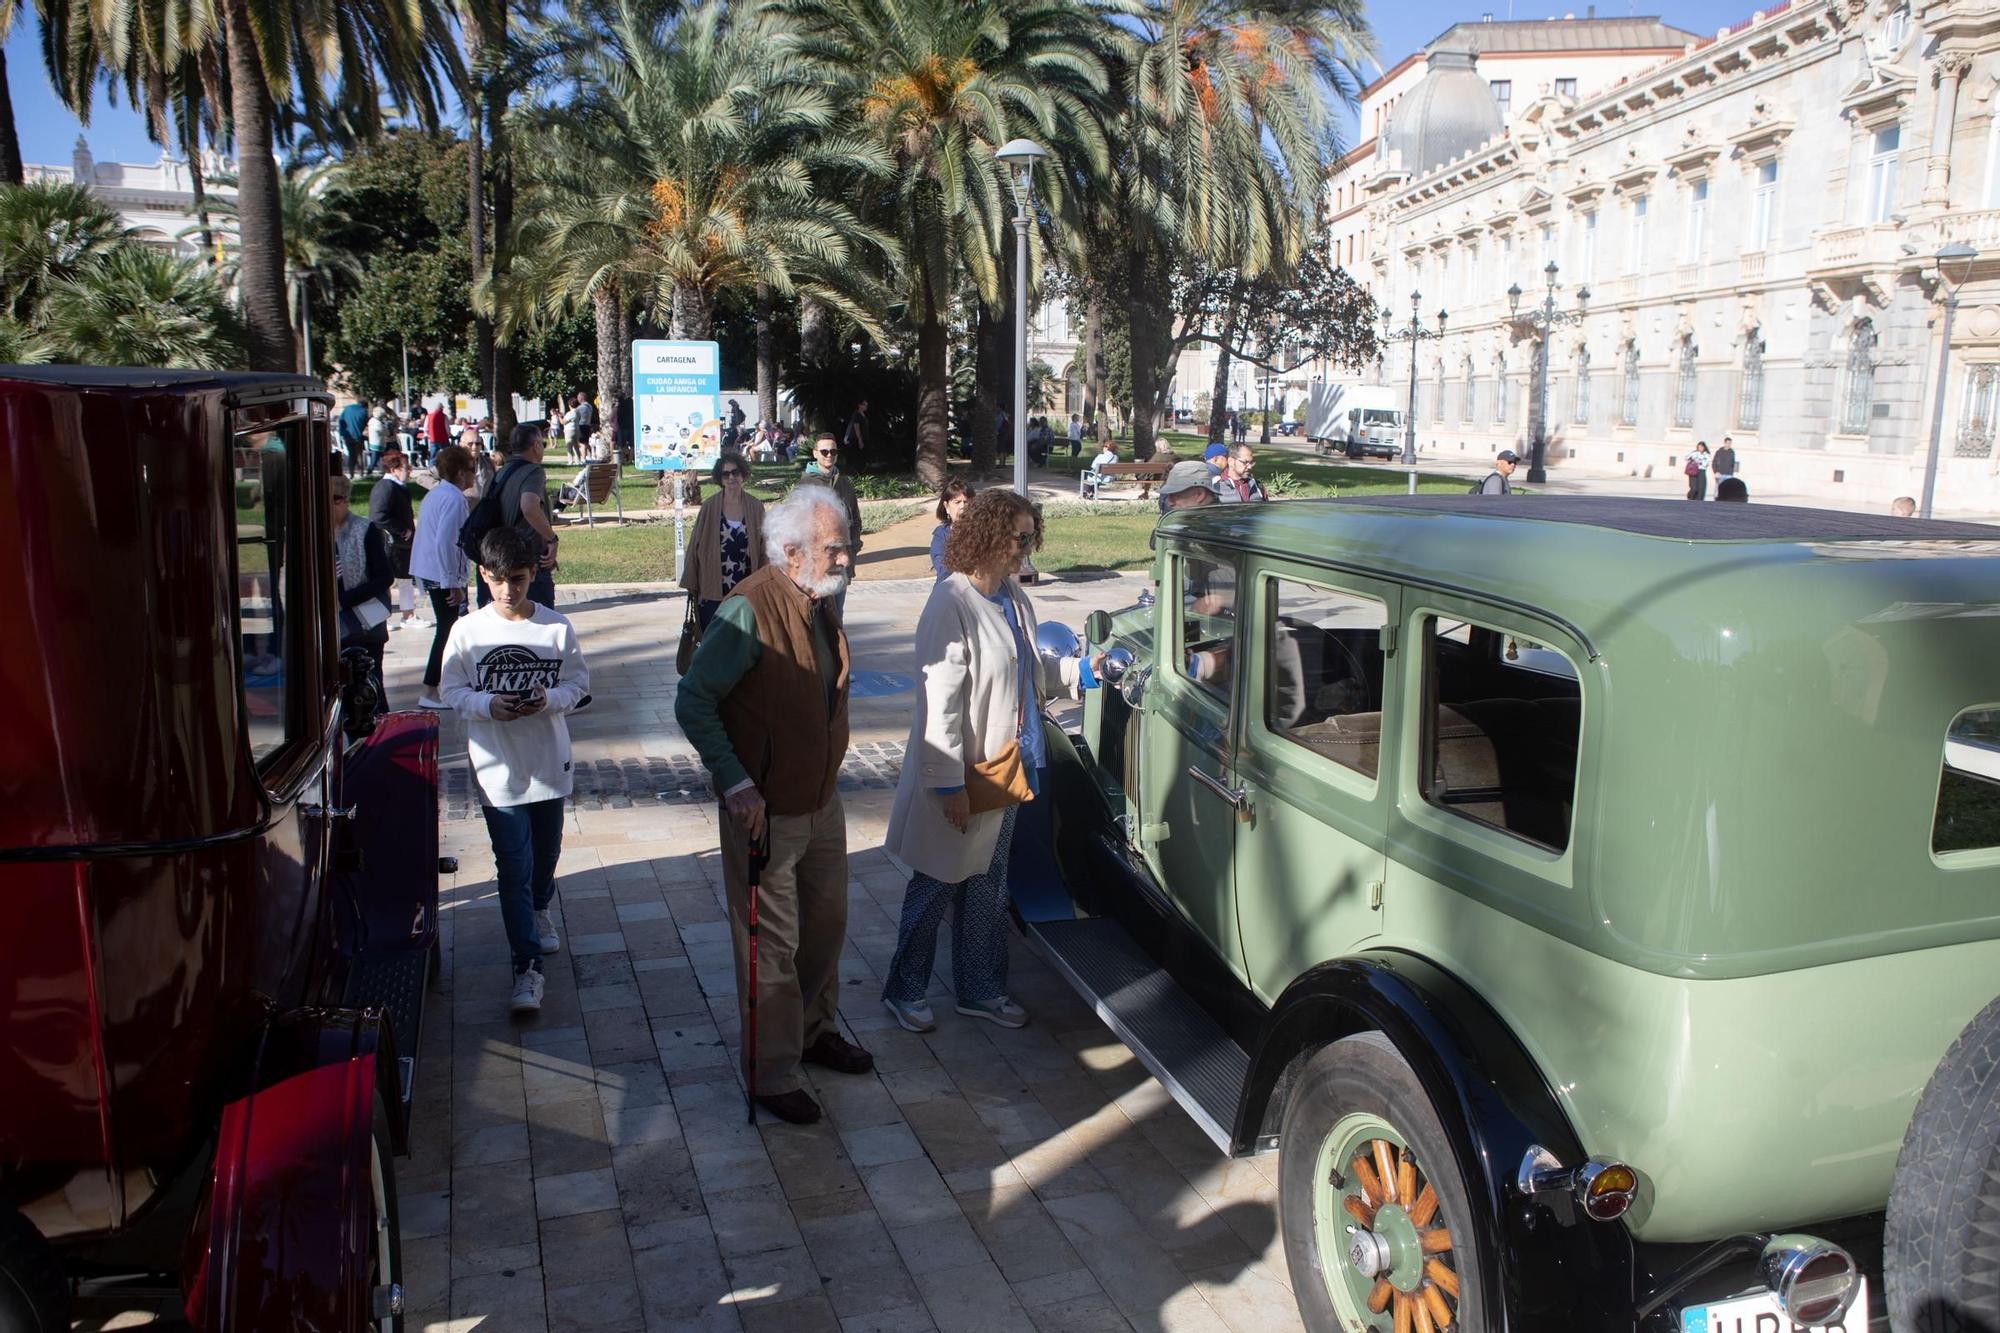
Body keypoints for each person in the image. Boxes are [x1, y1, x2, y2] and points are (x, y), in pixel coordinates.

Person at [674, 487, 875, 1124]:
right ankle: (771, 1071)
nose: (846, 559)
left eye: (847, 546)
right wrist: (736, 783)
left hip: (818, 800)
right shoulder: (749, 609)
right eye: (834, 549)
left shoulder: (816, 600)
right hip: (764, 810)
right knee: (772, 948)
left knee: (827, 927)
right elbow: (693, 701)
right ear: (792, 553)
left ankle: (813, 1033)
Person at [881, 489, 1100, 1034]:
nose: (1024, 547)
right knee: (935, 883)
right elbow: (941, 702)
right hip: (962, 774)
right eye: (1017, 536)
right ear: (985, 535)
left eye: (1030, 536)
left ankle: (980, 990)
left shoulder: (1011, 596)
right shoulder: (951, 602)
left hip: (1010, 768)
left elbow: (1026, 674)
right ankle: (904, 989)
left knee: (989, 884)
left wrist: (1077, 673)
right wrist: (946, 783)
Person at [441, 526, 591, 1015]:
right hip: (496, 770)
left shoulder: (555, 628)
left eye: (520, 579)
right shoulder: (466, 632)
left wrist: (548, 698)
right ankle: (526, 967)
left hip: (548, 763)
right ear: (484, 575)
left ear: (534, 575)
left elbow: (578, 684)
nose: (510, 590)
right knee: (513, 865)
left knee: (545, 854)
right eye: (500, 579)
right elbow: (450, 691)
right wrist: (488, 704)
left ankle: (541, 907)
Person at [412, 445, 476, 709]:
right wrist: (453, 582)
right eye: (472, 470)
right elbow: (447, 542)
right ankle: (430, 690)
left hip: (431, 571)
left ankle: (448, 683)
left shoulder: (437, 494)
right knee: (447, 630)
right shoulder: (453, 499)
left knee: (449, 629)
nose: (474, 475)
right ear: (461, 473)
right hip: (439, 574)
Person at [680, 452, 768, 627]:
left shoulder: (756, 507)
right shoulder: (709, 507)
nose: (731, 477)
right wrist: (691, 583)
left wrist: (764, 581)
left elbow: (765, 546)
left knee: (743, 642)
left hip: (746, 587)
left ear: (743, 474)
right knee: (712, 642)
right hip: (713, 587)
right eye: (725, 474)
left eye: (735, 472)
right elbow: (695, 545)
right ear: (720, 478)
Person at [479, 423, 559, 609]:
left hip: (500, 556)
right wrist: (551, 539)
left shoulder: (500, 473)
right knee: (538, 617)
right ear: (536, 445)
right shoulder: (533, 472)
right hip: (526, 558)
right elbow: (529, 506)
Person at [330, 472, 394, 701]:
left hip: (364, 623)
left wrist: (344, 600)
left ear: (345, 500)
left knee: (369, 687)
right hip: (331, 626)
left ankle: (379, 733)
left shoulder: (364, 529)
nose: (331, 506)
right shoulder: (313, 532)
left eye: (336, 499)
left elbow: (384, 577)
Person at [798, 434, 863, 619]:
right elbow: (798, 527)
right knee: (817, 617)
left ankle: (836, 649)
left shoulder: (844, 484)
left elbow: (855, 520)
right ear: (815, 453)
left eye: (833, 451)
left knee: (837, 617)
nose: (829, 455)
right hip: (817, 566)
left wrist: (853, 548)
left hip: (841, 564)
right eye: (824, 451)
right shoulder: (805, 485)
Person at [368, 448, 419, 624]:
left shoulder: (396, 487)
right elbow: (378, 516)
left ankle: (408, 615)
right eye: (406, 468)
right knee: (386, 581)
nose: (409, 471)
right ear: (393, 470)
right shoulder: (386, 487)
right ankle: (383, 619)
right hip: (390, 544)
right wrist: (403, 530)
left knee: (405, 580)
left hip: (400, 544)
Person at [929, 477, 974, 580]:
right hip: (950, 589)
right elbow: (943, 568)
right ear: (946, 506)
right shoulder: (941, 534)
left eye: (966, 502)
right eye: (957, 502)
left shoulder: (983, 531)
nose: (963, 506)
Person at [337, 397, 370, 474]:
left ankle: (351, 472)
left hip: (347, 435)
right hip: (358, 436)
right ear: (365, 405)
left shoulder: (347, 409)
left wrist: (341, 433)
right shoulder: (363, 411)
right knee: (359, 454)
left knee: (351, 454)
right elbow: (366, 424)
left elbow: (341, 421)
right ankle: (361, 472)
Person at [366, 404, 390, 473]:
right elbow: (386, 432)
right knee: (375, 459)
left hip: (373, 443)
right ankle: (369, 471)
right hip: (377, 444)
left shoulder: (372, 421)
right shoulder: (378, 424)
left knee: (379, 459)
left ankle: (382, 470)